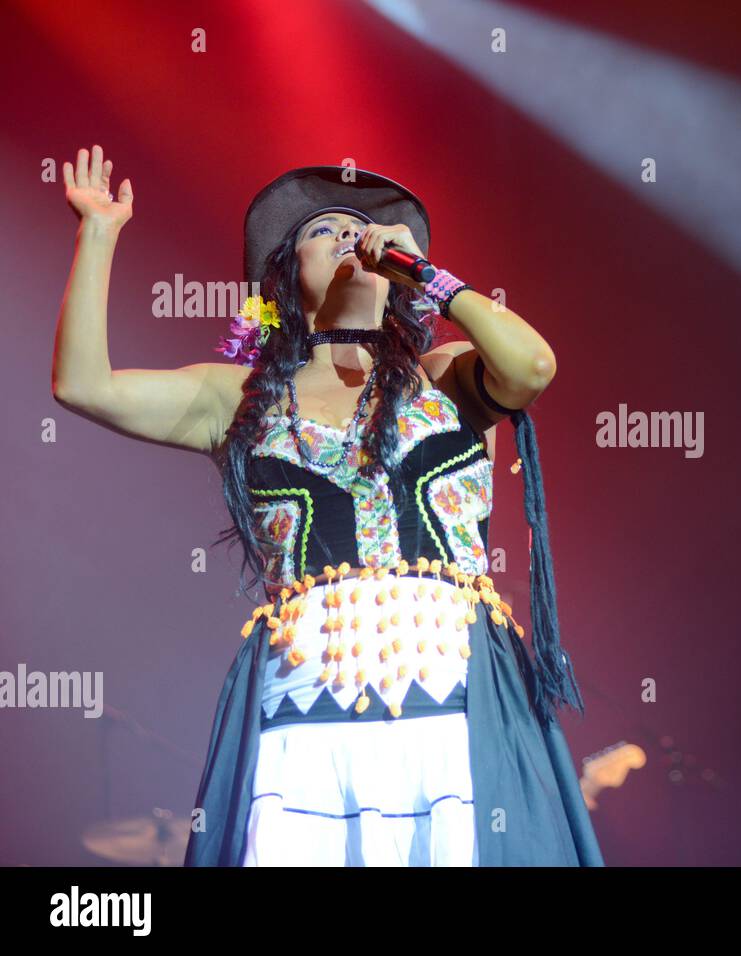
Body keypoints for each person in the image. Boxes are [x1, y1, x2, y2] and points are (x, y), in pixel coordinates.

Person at [52, 145, 603, 866]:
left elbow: (533, 366)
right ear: (284, 279)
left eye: (360, 228)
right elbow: (84, 386)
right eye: (323, 230)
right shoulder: (239, 398)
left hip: (455, 696)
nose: (348, 236)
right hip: (307, 710)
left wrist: (427, 274)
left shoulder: (443, 378)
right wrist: (97, 232)